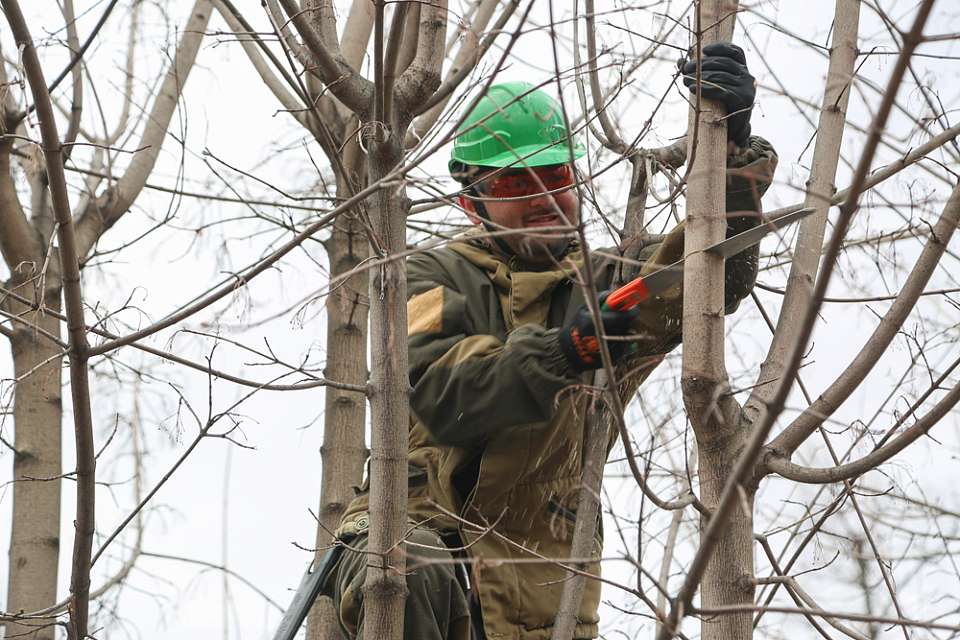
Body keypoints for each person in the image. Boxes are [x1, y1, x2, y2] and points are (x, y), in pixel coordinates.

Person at [328, 43, 777, 639]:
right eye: (516, 182)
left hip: (539, 585)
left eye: (557, 175)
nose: (542, 197)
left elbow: (706, 283)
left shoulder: (609, 277)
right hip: (419, 539)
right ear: (472, 203)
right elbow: (446, 391)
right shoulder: (428, 277)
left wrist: (733, 157)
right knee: (411, 567)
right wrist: (568, 351)